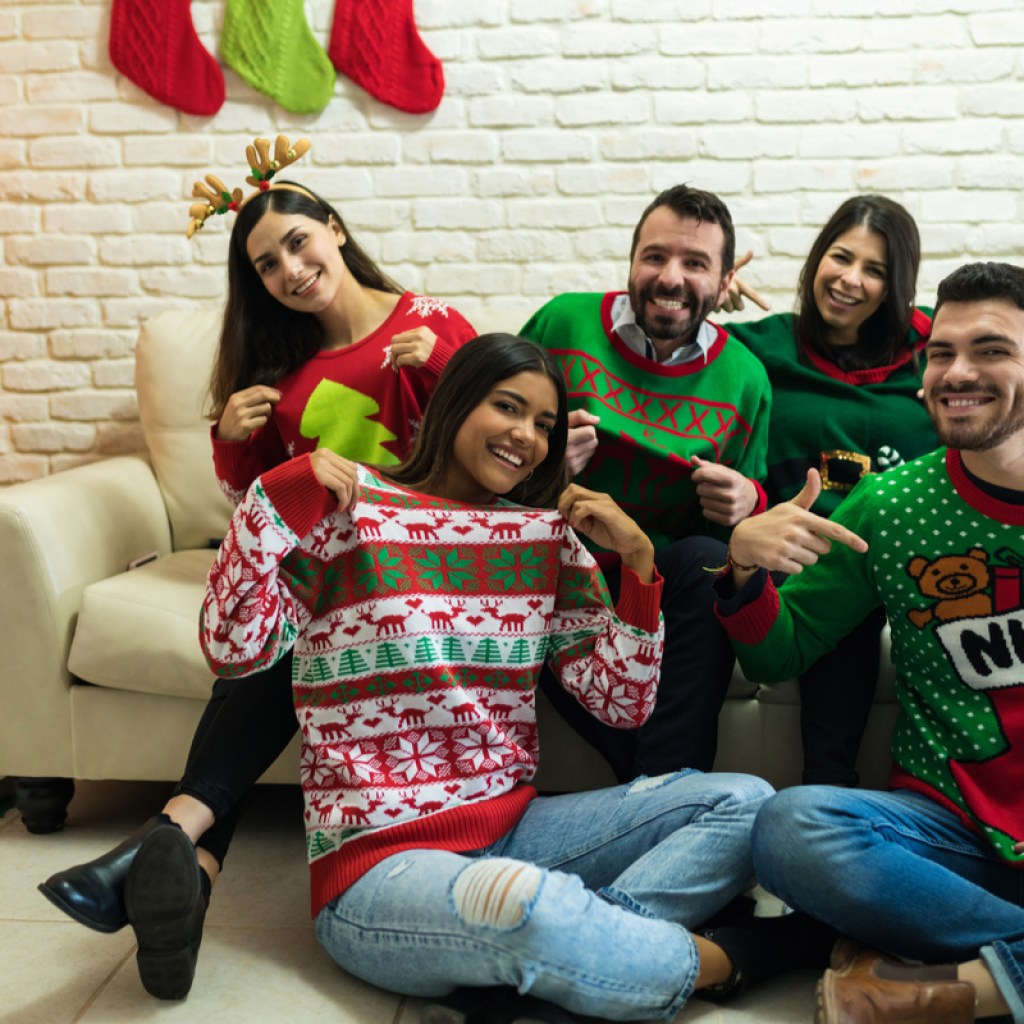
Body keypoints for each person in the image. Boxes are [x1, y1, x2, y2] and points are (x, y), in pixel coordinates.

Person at [148, 332, 819, 1023]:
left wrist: (641, 566)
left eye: (545, 424)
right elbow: (234, 647)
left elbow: (619, 704)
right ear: (457, 402)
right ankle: (733, 959)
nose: (526, 435)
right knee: (523, 904)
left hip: (517, 830)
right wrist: (279, 493)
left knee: (744, 802)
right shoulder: (350, 514)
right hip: (377, 867)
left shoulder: (543, 541)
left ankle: (559, 977)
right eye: (508, 407)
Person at [38, 136, 477, 1000]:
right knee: (275, 634)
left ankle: (162, 844)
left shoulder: (431, 324)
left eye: (298, 244)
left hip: (422, 569)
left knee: (285, 635)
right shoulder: (284, 369)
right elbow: (263, 510)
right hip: (328, 578)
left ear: (336, 232)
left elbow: (499, 455)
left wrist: (447, 371)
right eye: (267, 264)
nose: (288, 268)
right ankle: (183, 866)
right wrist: (231, 441)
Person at [713, 261, 1024, 1023]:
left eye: (992, 351)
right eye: (941, 352)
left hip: (958, 891)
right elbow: (778, 654)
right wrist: (744, 568)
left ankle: (963, 986)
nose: (957, 373)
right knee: (792, 828)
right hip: (949, 835)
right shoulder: (891, 504)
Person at [520, 184, 772, 779]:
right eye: (655, 256)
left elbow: (753, 522)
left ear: (726, 279)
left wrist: (746, 501)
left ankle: (657, 785)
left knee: (709, 559)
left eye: (695, 263)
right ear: (632, 259)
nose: (670, 277)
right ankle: (662, 790)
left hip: (658, 576)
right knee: (536, 569)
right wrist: (544, 458)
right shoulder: (562, 322)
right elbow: (486, 435)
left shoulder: (745, 378)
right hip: (556, 558)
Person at [722, 195, 938, 786]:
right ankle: (824, 794)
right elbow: (672, 367)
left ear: (898, 286)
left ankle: (833, 791)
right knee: (828, 576)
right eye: (841, 257)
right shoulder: (758, 347)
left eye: (876, 270)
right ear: (817, 259)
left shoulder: (933, 360)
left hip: (889, 556)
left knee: (856, 574)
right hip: (787, 547)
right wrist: (700, 304)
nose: (851, 279)